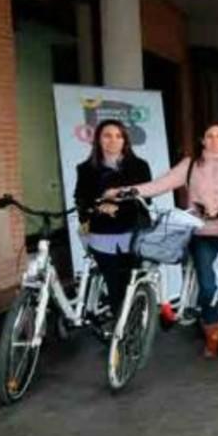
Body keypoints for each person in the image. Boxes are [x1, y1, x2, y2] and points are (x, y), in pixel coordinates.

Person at [114, 123, 218, 358]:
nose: (214, 140)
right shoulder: (190, 165)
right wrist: (123, 192)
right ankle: (212, 331)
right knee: (208, 285)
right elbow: (157, 185)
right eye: (209, 135)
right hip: (202, 233)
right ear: (203, 140)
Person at [74, 119, 153, 317]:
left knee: (131, 283)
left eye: (118, 136)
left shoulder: (139, 166)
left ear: (125, 140)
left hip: (133, 232)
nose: (113, 140)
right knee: (114, 285)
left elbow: (147, 199)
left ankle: (134, 323)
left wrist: (118, 202)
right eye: (107, 135)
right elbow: (81, 200)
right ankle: (119, 330)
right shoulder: (85, 169)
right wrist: (98, 207)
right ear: (98, 140)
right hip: (102, 235)